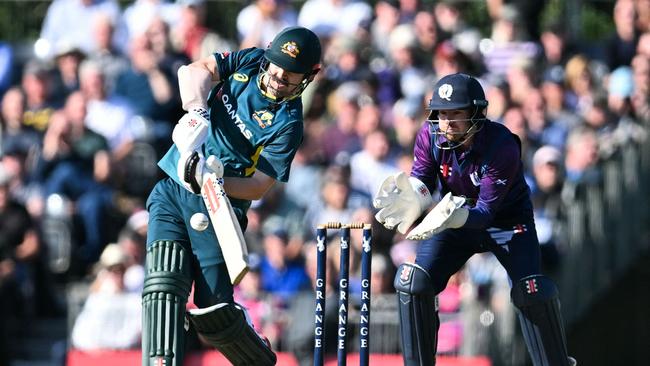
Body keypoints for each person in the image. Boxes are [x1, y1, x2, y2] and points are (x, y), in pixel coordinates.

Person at [142, 26, 321, 366]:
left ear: (309, 76)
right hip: (171, 186)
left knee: (214, 312)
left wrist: (212, 179)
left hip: (217, 207)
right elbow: (196, 71)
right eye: (276, 67)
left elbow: (259, 186)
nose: (278, 77)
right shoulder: (252, 60)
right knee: (163, 284)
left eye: (289, 75)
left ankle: (258, 356)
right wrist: (197, 111)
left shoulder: (288, 122)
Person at [373, 73, 576, 366]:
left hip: (505, 222)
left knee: (531, 289)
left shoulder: (502, 146)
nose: (446, 123)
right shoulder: (429, 135)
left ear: (477, 114)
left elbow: (484, 214)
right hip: (452, 218)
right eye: (442, 114)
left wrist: (453, 215)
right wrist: (412, 198)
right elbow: (423, 180)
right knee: (412, 280)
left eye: (456, 113)